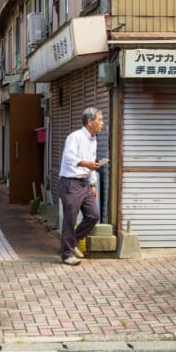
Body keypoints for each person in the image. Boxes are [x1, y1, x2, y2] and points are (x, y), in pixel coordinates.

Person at [57, 107, 104, 266]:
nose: (102, 123)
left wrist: (93, 183)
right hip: (71, 183)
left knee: (93, 215)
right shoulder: (75, 137)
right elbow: (69, 156)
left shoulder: (93, 139)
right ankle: (67, 254)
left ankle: (74, 241)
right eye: (100, 120)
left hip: (85, 183)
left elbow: (91, 161)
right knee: (70, 219)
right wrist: (85, 163)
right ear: (90, 121)